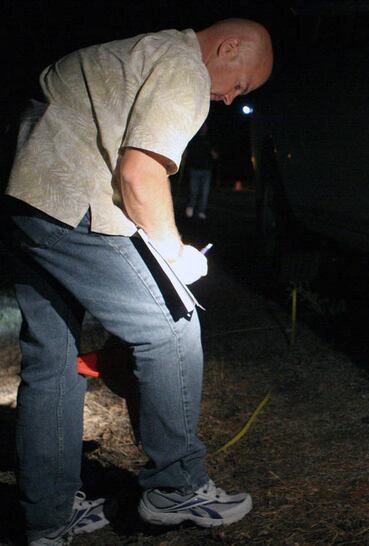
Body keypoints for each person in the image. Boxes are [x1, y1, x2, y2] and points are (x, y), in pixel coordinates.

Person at [0, 18, 272, 545]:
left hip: (24, 194)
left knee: (51, 359)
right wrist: (173, 255)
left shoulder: (136, 52)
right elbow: (139, 173)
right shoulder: (183, 66)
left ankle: (49, 515)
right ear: (228, 46)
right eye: (239, 84)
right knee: (172, 325)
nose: (228, 97)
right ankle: (177, 487)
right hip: (68, 201)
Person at [184, 123, 218, 220]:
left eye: (205, 127)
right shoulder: (193, 139)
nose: (203, 129)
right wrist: (184, 157)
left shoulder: (209, 140)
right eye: (202, 127)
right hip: (194, 169)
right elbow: (186, 151)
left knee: (204, 192)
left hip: (206, 170)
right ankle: (190, 207)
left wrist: (213, 153)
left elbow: (215, 155)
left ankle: (201, 211)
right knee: (194, 191)